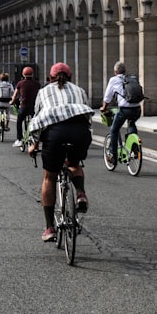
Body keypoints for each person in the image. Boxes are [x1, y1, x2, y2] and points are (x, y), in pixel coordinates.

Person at [27, 63, 95, 242]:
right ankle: (80, 193)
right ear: (70, 76)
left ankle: (49, 228)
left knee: (49, 177)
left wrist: (33, 145)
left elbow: (39, 119)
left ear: (50, 78)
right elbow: (87, 114)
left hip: (55, 133)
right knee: (74, 164)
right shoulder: (79, 90)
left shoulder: (44, 92)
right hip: (80, 132)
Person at [100, 61, 142, 164]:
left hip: (124, 110)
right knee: (131, 123)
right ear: (125, 71)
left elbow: (108, 96)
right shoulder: (132, 78)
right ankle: (135, 149)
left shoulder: (114, 80)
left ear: (115, 72)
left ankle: (113, 156)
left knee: (114, 130)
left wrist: (104, 107)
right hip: (137, 109)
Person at [10, 66, 40, 148]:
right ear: (32, 74)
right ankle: (36, 138)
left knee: (19, 121)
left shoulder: (20, 83)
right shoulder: (37, 84)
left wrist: (12, 102)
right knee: (35, 121)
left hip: (24, 107)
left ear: (23, 74)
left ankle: (19, 139)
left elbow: (15, 95)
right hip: (34, 108)